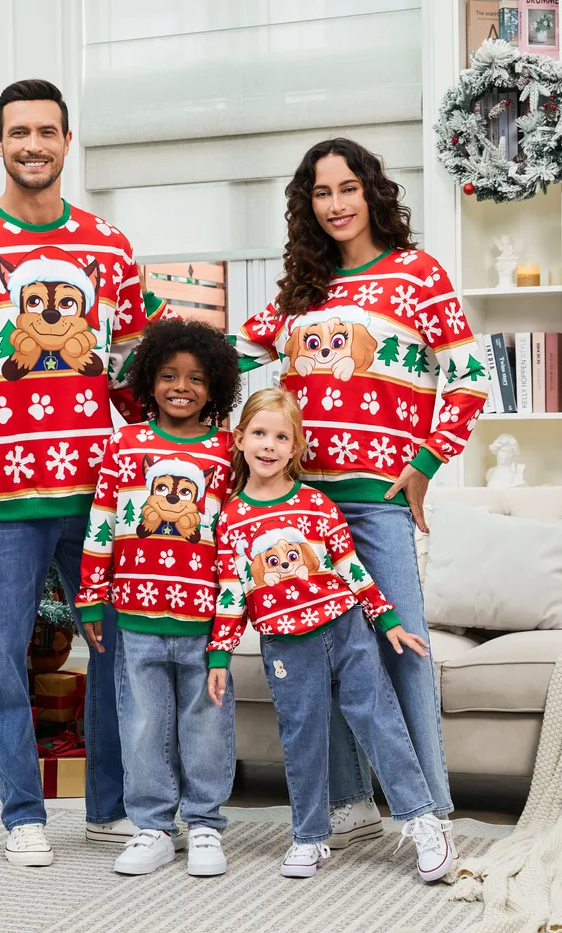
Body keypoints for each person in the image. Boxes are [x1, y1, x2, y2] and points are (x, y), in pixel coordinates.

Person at [0, 79, 172, 866]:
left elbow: (141, 366)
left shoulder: (108, 245)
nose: (33, 144)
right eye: (18, 131)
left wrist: (182, 429)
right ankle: (22, 811)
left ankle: (109, 807)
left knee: (121, 649)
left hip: (99, 490)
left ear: (67, 141)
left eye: (47, 131)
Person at [229, 139, 488, 857]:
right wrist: (151, 342)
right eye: (321, 192)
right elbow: (229, 356)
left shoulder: (416, 273)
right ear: (306, 204)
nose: (336, 204)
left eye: (348, 188)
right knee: (318, 650)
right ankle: (349, 804)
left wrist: (426, 463)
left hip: (377, 500)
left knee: (402, 647)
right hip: (303, 505)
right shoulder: (299, 291)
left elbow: (470, 372)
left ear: (372, 192)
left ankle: (428, 807)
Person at [207, 388, 454, 880]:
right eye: (259, 433)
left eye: (282, 436)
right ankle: (308, 837)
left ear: (297, 448)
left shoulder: (317, 503)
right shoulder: (230, 519)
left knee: (379, 718)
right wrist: (220, 655)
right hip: (285, 645)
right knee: (302, 735)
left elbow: (352, 568)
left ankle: (422, 820)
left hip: (346, 630)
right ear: (239, 440)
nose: (269, 445)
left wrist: (388, 621)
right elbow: (232, 593)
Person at [76, 319, 242, 877]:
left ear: (215, 387)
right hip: (137, 615)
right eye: (169, 375)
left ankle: (204, 825)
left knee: (206, 723)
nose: (181, 387)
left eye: (196, 378)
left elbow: (236, 537)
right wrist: (91, 595)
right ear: (149, 380)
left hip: (204, 620)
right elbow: (102, 522)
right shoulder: (124, 445)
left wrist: (230, 613)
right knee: (144, 721)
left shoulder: (228, 454)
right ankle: (151, 826)